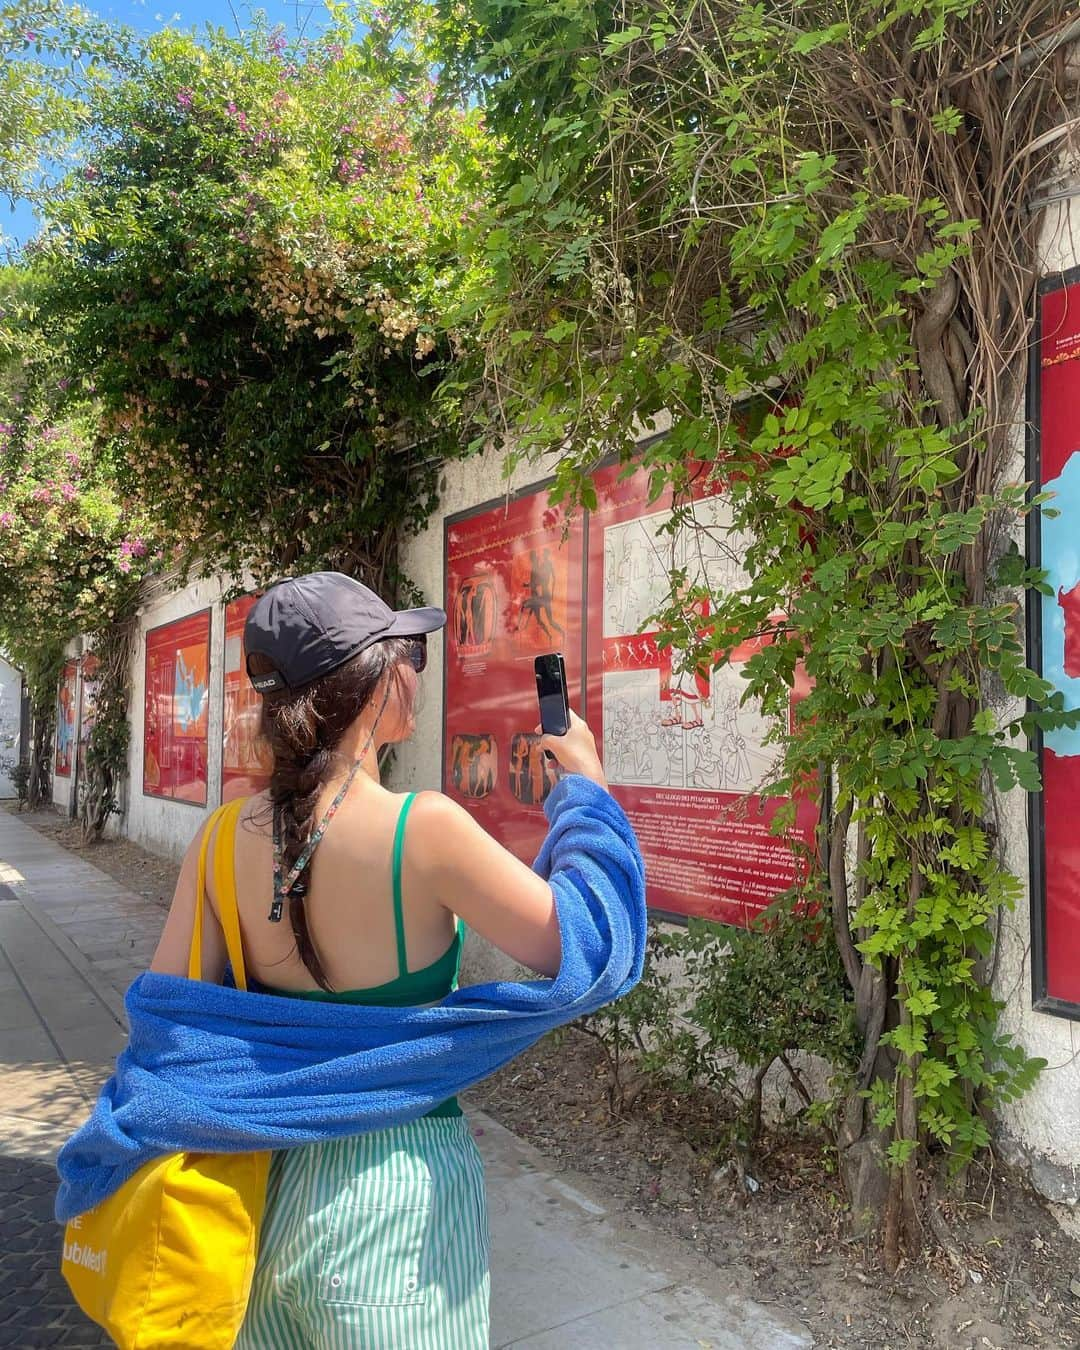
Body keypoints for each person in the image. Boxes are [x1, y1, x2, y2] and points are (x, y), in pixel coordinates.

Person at [144, 571, 617, 1349]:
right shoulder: (424, 831)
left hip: (258, 1192)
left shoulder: (219, 841)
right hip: (398, 1200)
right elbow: (582, 942)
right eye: (411, 655)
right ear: (373, 681)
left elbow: (171, 1027)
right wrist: (586, 793)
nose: (417, 673)